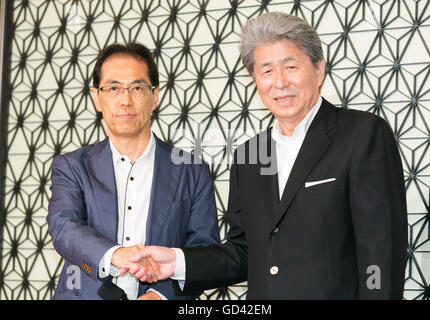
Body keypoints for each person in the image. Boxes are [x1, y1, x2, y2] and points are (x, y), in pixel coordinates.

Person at [129, 12, 408, 299]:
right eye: (266, 71)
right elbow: (244, 253)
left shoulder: (362, 134)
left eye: (291, 66)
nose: (280, 82)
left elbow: (381, 250)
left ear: (318, 69)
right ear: (255, 80)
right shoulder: (249, 155)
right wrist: (178, 262)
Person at [46, 42, 220, 300]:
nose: (125, 100)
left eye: (137, 88)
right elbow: (64, 227)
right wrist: (115, 254)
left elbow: (204, 253)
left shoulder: (192, 171)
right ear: (97, 98)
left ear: (155, 96)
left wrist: (160, 296)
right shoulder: (72, 166)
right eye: (113, 88)